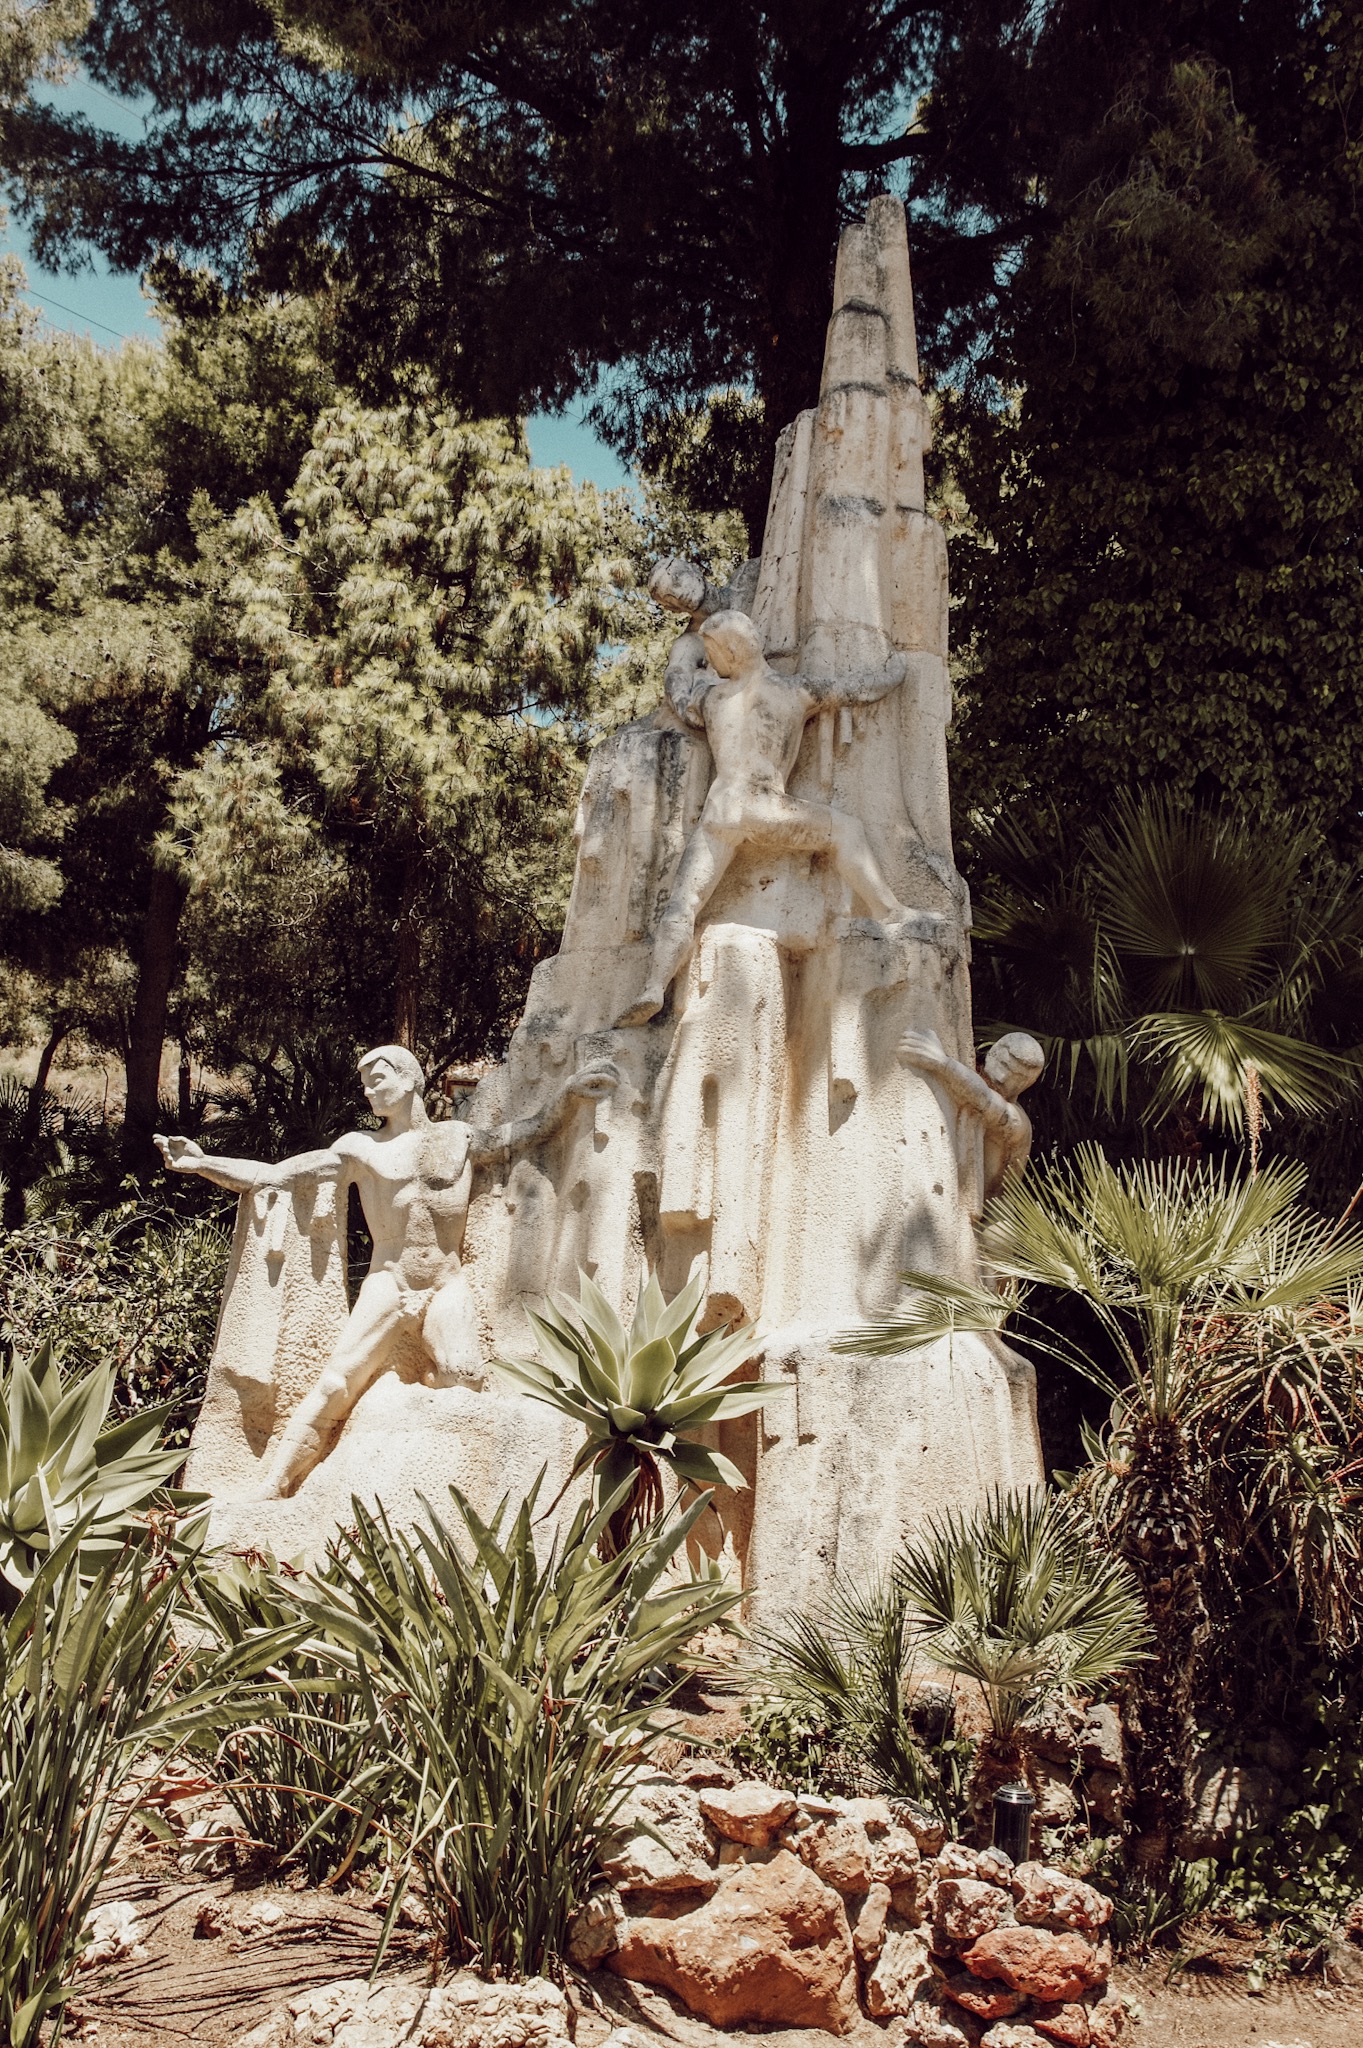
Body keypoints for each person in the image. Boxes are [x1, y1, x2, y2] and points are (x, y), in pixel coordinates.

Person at [156, 1043, 618, 1498]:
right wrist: (203, 1163)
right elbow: (279, 1174)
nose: (369, 1092)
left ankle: (413, 1448)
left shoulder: (459, 1137)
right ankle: (274, 1485)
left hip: (444, 1282)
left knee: (464, 1376)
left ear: (410, 1078)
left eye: (377, 1080)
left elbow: (528, 1131)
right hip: (390, 1281)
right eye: (364, 1085)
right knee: (336, 1382)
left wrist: (569, 1094)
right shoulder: (360, 1149)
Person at [618, 605, 914, 1026]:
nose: (712, 663)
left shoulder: (712, 698)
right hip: (765, 807)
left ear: (732, 655)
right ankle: (889, 910)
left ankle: (653, 985)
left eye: (713, 654)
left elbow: (678, 694)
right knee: (846, 830)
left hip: (722, 811)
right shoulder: (795, 692)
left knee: (684, 903)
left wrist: (681, 660)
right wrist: (896, 672)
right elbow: (857, 689)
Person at [897, 1028, 1045, 1205]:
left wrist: (943, 1063)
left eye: (1018, 1077)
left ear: (1028, 1084)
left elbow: (986, 1100)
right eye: (1003, 1064)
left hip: (994, 1222)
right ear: (992, 1054)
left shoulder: (1019, 1122)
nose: (1003, 1076)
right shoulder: (970, 1076)